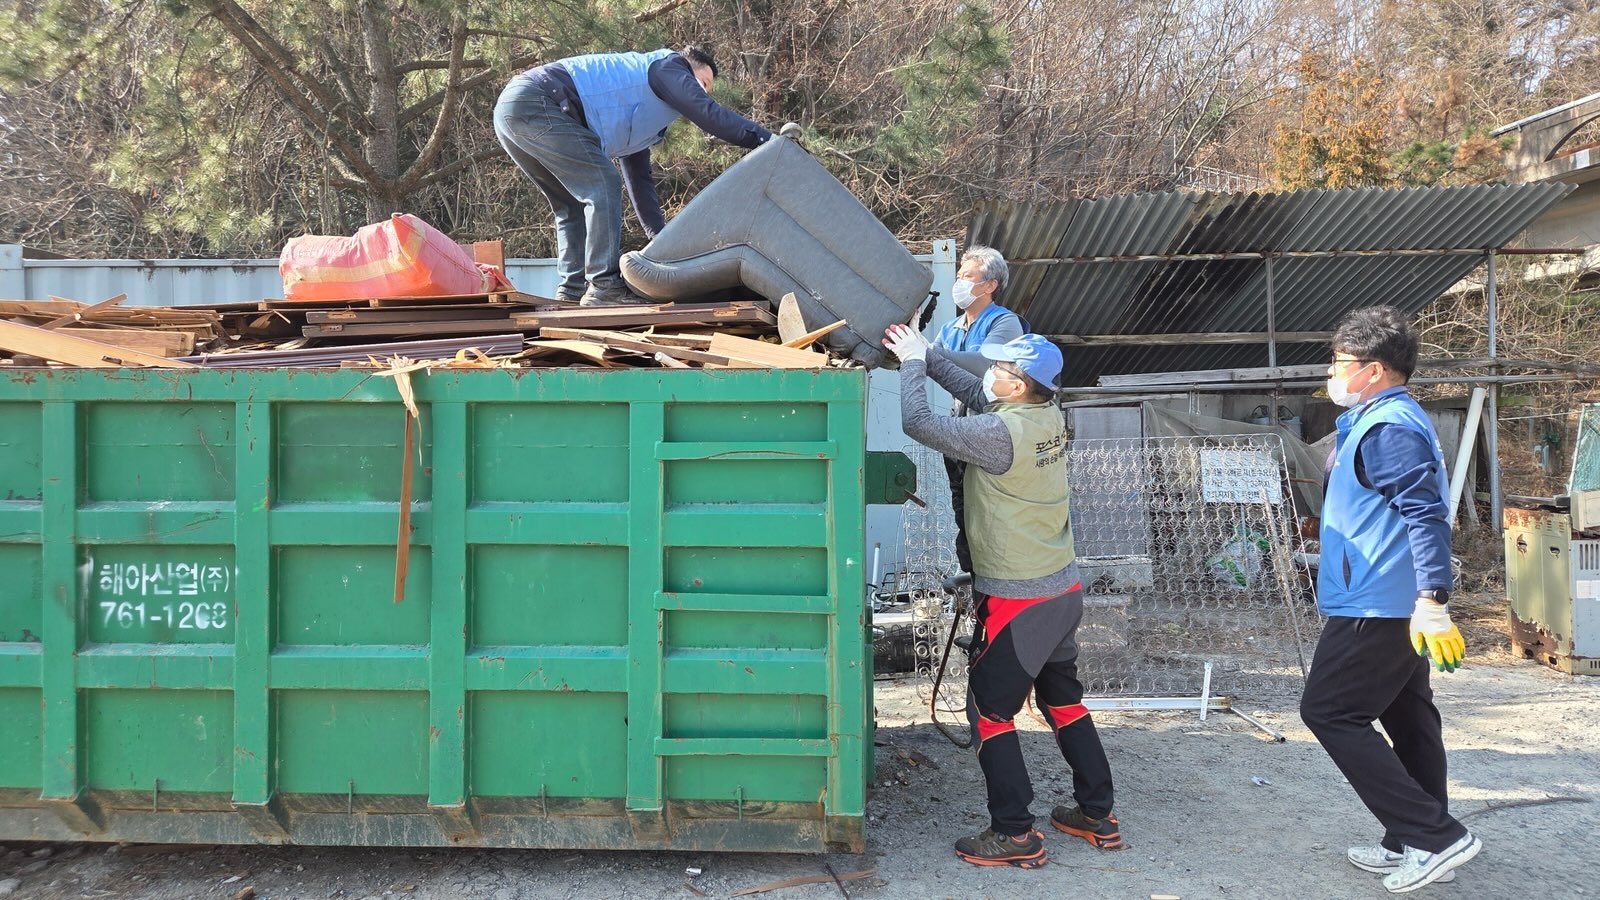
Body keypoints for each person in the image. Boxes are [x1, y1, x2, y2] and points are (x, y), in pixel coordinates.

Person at [883, 324, 1120, 869]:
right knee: (1063, 701)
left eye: (999, 369)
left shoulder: (997, 433)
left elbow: (917, 421)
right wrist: (927, 353)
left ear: (1016, 386)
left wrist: (913, 366)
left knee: (989, 711)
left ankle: (1015, 833)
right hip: (1060, 587)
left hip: (1020, 599)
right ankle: (1096, 813)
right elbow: (974, 393)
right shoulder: (1045, 416)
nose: (987, 374)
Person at [1300, 305, 1481, 893]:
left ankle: (1436, 836)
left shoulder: (1390, 428)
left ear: (1373, 370)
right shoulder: (1379, 419)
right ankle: (1413, 838)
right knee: (1409, 714)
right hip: (1382, 593)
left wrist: (1433, 596)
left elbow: (1425, 513)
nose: (1332, 372)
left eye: (1340, 363)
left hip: (1377, 600)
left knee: (1328, 711)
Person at [494, 47, 773, 307]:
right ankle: (604, 285)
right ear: (688, 71)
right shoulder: (669, 66)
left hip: (514, 110)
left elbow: (639, 184)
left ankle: (571, 291)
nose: (703, 93)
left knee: (571, 205)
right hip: (539, 100)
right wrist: (767, 140)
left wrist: (660, 239)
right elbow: (710, 114)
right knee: (603, 183)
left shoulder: (646, 121)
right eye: (702, 82)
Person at [931, 246, 1025, 575]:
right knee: (965, 510)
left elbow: (984, 364)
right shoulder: (951, 329)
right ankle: (974, 577)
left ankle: (1001, 577)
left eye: (967, 277)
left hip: (991, 431)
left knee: (991, 507)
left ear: (989, 285)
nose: (959, 283)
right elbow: (932, 361)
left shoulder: (1005, 323)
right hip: (961, 431)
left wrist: (927, 356)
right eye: (958, 276)